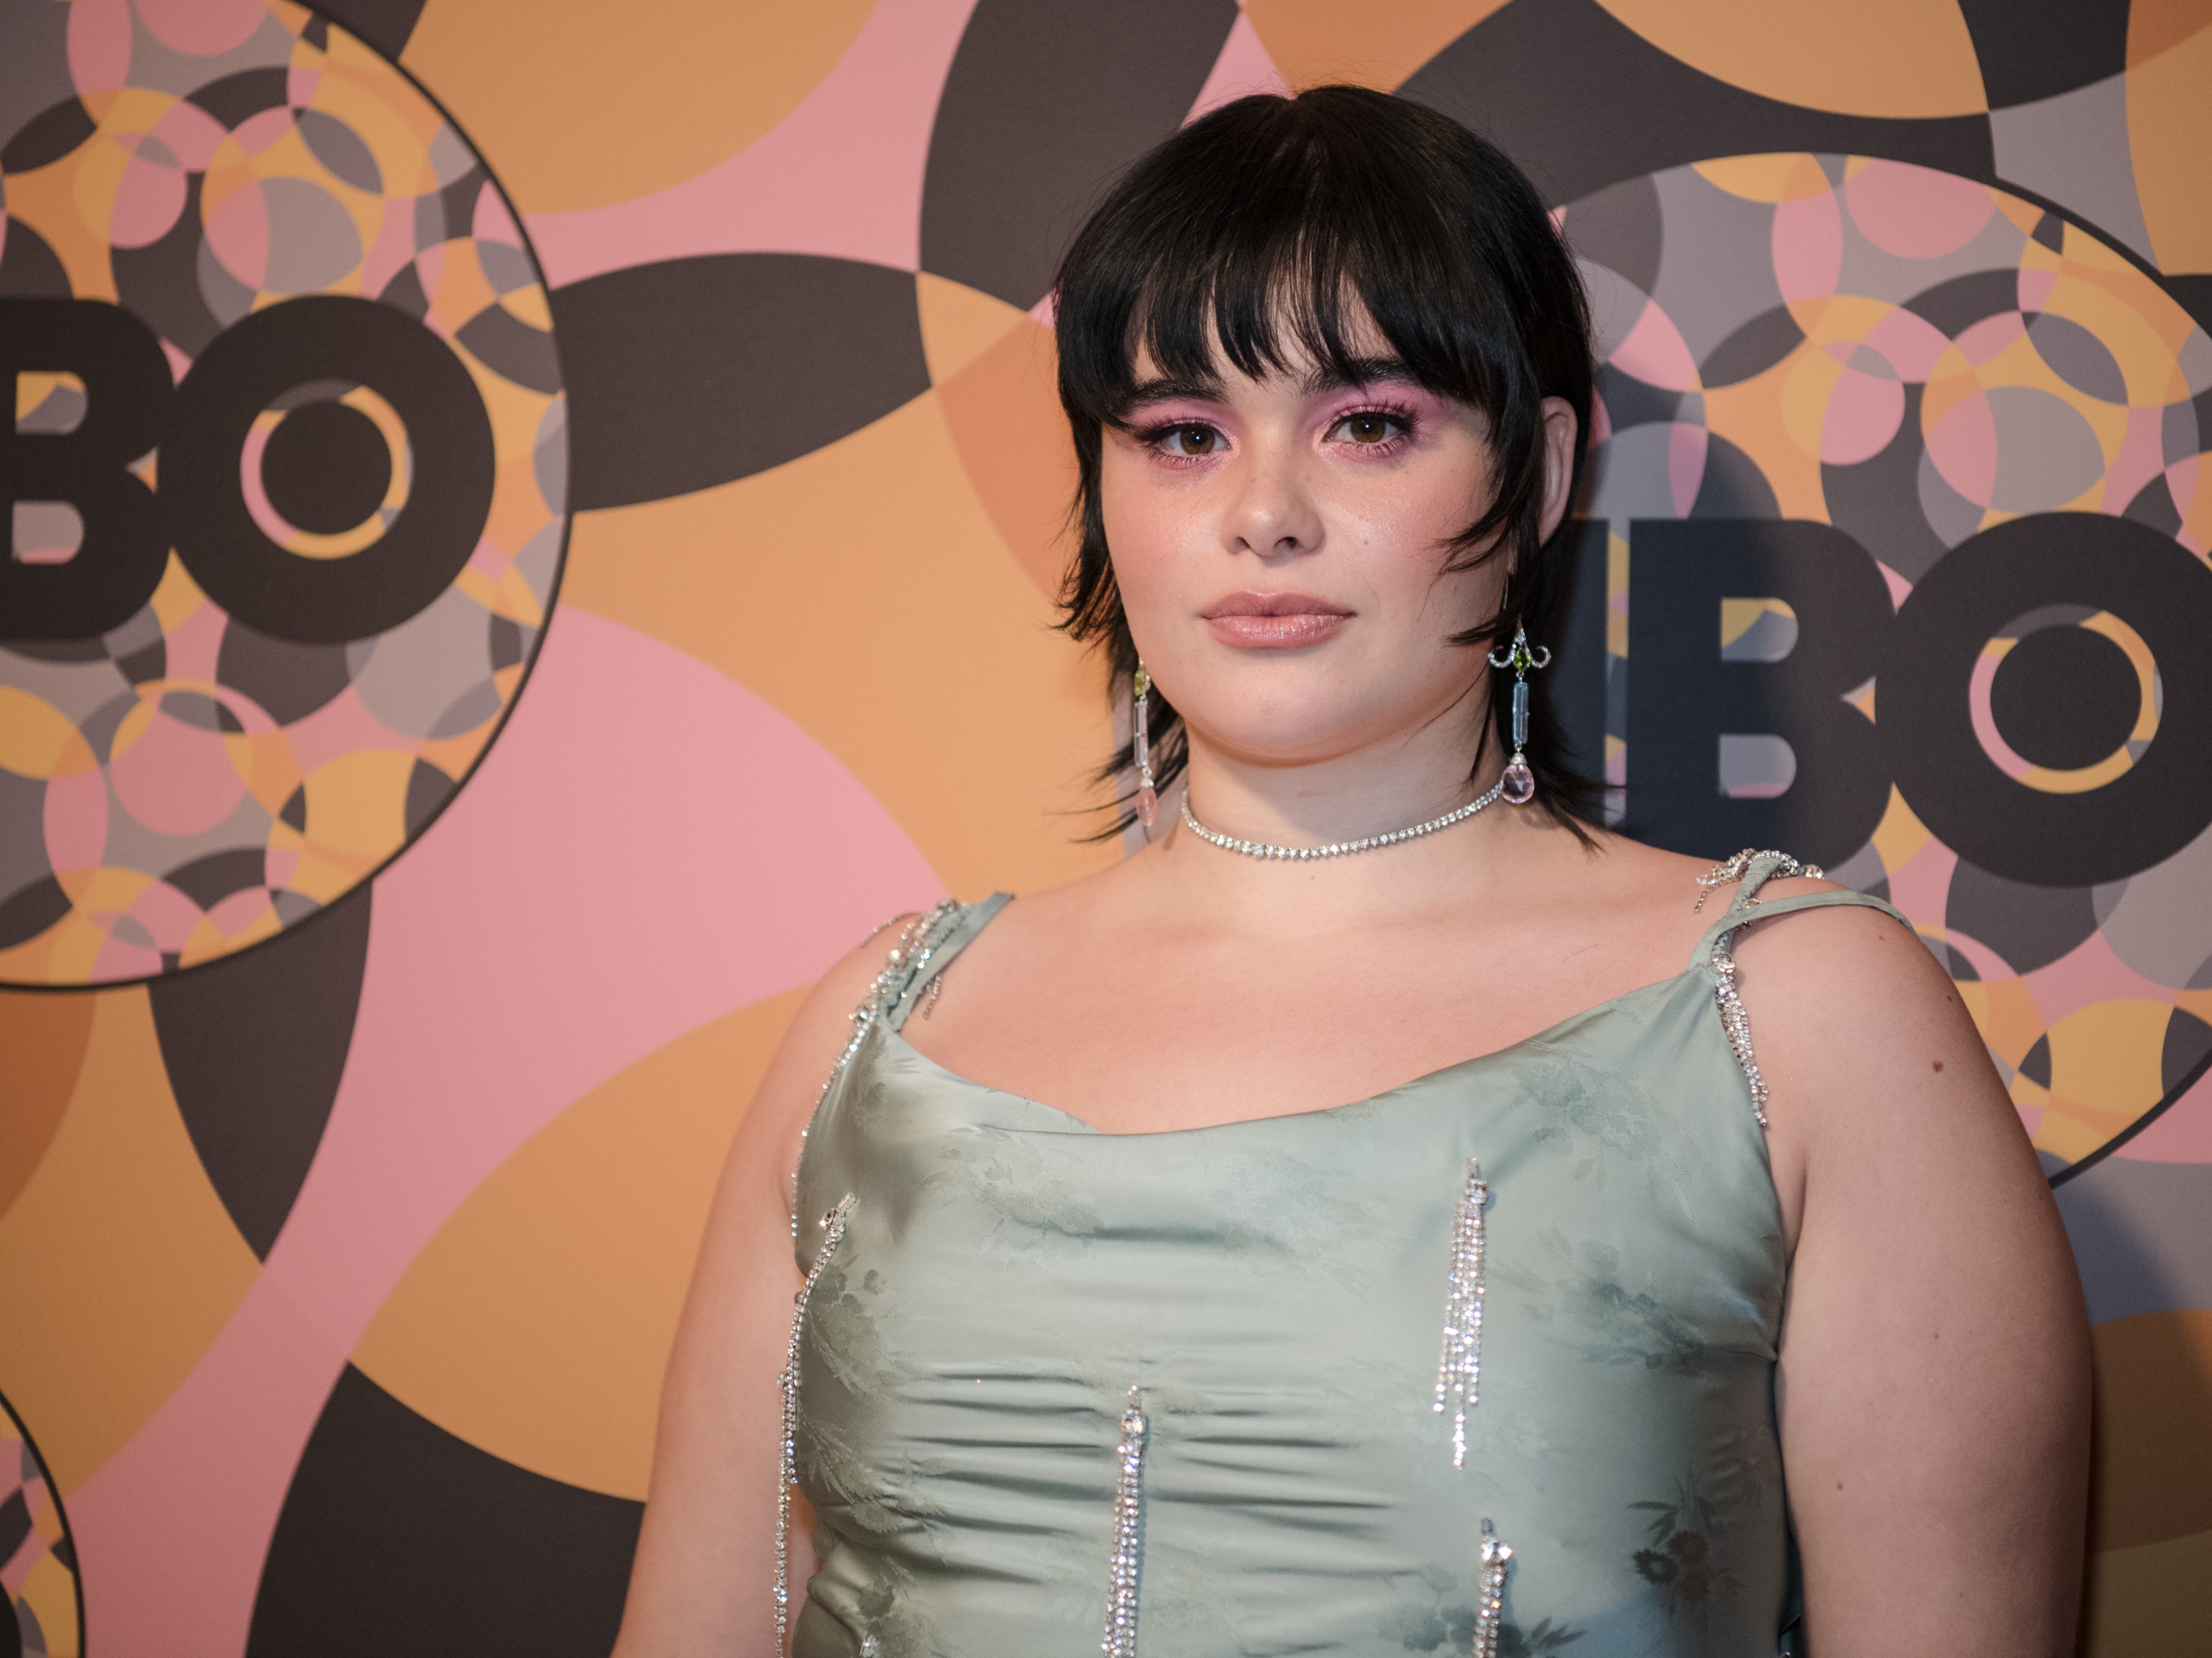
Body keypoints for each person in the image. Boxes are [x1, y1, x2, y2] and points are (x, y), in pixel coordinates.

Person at [614, 86, 2088, 1658]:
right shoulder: (880, 1029)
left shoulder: (1799, 1021)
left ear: (1537, 479)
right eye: (1182, 435)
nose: (1263, 515)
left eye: (1370, 426)